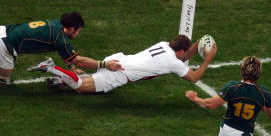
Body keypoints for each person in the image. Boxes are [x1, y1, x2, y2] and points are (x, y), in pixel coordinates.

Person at [26, 34, 217, 93]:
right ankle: (49, 66)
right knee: (80, 88)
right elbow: (193, 78)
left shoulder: (164, 45)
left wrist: (197, 44)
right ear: (181, 51)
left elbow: (182, 56)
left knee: (89, 80)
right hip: (119, 73)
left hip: (120, 60)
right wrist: (207, 58)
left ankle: (60, 80)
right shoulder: (172, 62)